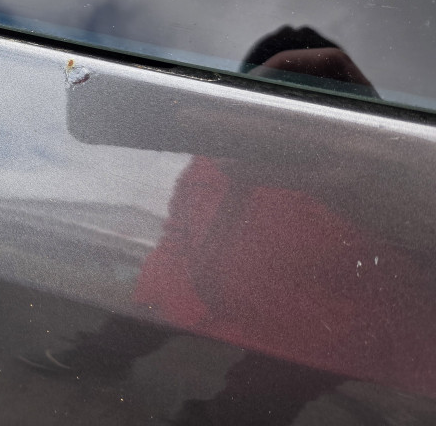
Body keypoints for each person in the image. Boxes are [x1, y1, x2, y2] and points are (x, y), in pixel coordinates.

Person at [21, 26, 436, 424]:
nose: (270, 120)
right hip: (195, 293)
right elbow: (179, 231)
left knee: (253, 401)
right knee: (136, 323)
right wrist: (163, 292)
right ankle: (102, 358)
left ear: (348, 111)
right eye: (252, 95)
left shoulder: (381, 180)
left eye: (297, 99)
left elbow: (394, 294)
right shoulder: (212, 157)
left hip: (305, 338)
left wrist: (384, 175)